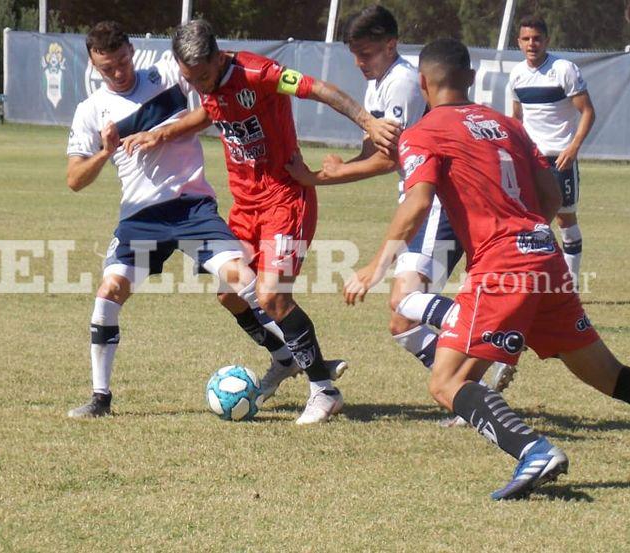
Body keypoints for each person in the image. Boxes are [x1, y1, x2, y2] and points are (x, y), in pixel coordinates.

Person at [345, 38, 630, 499]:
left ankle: (534, 450)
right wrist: (527, 237)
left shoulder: (423, 132)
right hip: (544, 254)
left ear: (423, 83)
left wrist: (375, 266)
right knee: (607, 373)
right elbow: (551, 196)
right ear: (470, 78)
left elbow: (417, 202)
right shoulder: (508, 125)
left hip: (502, 266)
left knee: (447, 381)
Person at [122, 19, 400, 424]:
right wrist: (162, 134)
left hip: (285, 199)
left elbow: (319, 89)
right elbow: (210, 112)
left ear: (218, 58)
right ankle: (285, 359)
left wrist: (368, 122)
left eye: (202, 77)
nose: (197, 85)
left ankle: (324, 390)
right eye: (189, 79)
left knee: (271, 297)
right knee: (230, 295)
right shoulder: (207, 85)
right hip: (245, 206)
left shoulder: (259, 73)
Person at [285, 5, 515, 409]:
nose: (359, 63)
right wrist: (339, 167)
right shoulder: (379, 84)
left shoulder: (404, 83)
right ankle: (474, 388)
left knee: (403, 302)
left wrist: (322, 178)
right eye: (355, 54)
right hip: (421, 203)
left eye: (367, 53)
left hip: (437, 204)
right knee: (402, 322)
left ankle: (491, 334)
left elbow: (391, 159)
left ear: (390, 45)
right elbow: (373, 150)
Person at [65, 21, 297, 418]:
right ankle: (100, 398)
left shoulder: (169, 74)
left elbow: (215, 105)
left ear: (131, 51)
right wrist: (104, 153)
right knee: (109, 292)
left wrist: (166, 132)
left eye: (122, 61)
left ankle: (301, 359)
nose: (118, 73)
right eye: (107, 68)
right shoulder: (90, 112)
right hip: (141, 218)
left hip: (193, 208)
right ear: (93, 65)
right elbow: (74, 179)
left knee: (242, 279)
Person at [508, 15, 595, 289]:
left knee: (564, 219)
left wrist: (573, 147)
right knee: (531, 220)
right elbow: (516, 119)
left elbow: (588, 112)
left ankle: (570, 286)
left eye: (537, 39)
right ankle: (537, 280)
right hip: (530, 159)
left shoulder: (563, 69)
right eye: (526, 39)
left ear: (547, 40)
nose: (531, 44)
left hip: (560, 158)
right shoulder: (517, 75)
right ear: (518, 42)